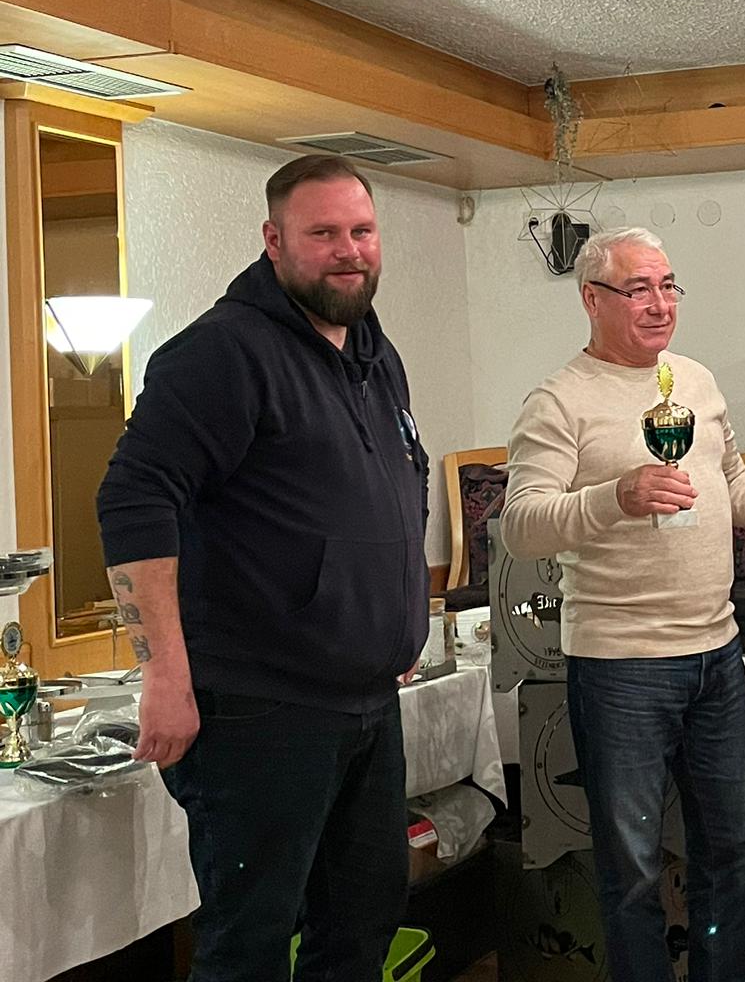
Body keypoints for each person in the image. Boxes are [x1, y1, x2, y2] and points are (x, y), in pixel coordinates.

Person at [96, 154, 429, 982]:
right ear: (274, 241)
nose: (349, 250)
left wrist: (393, 618)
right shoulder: (222, 353)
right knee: (250, 944)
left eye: (362, 231)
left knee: (361, 924)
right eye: (324, 234)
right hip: (258, 708)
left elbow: (391, 490)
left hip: (364, 702)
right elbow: (133, 499)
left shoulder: (374, 352)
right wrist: (163, 674)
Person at [500, 227, 745, 982]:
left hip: (716, 652)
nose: (659, 303)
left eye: (668, 286)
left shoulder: (695, 381)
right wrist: (616, 496)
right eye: (638, 289)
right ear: (591, 299)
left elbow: (729, 485)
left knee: (739, 848)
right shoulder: (558, 400)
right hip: (620, 665)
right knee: (634, 866)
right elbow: (520, 524)